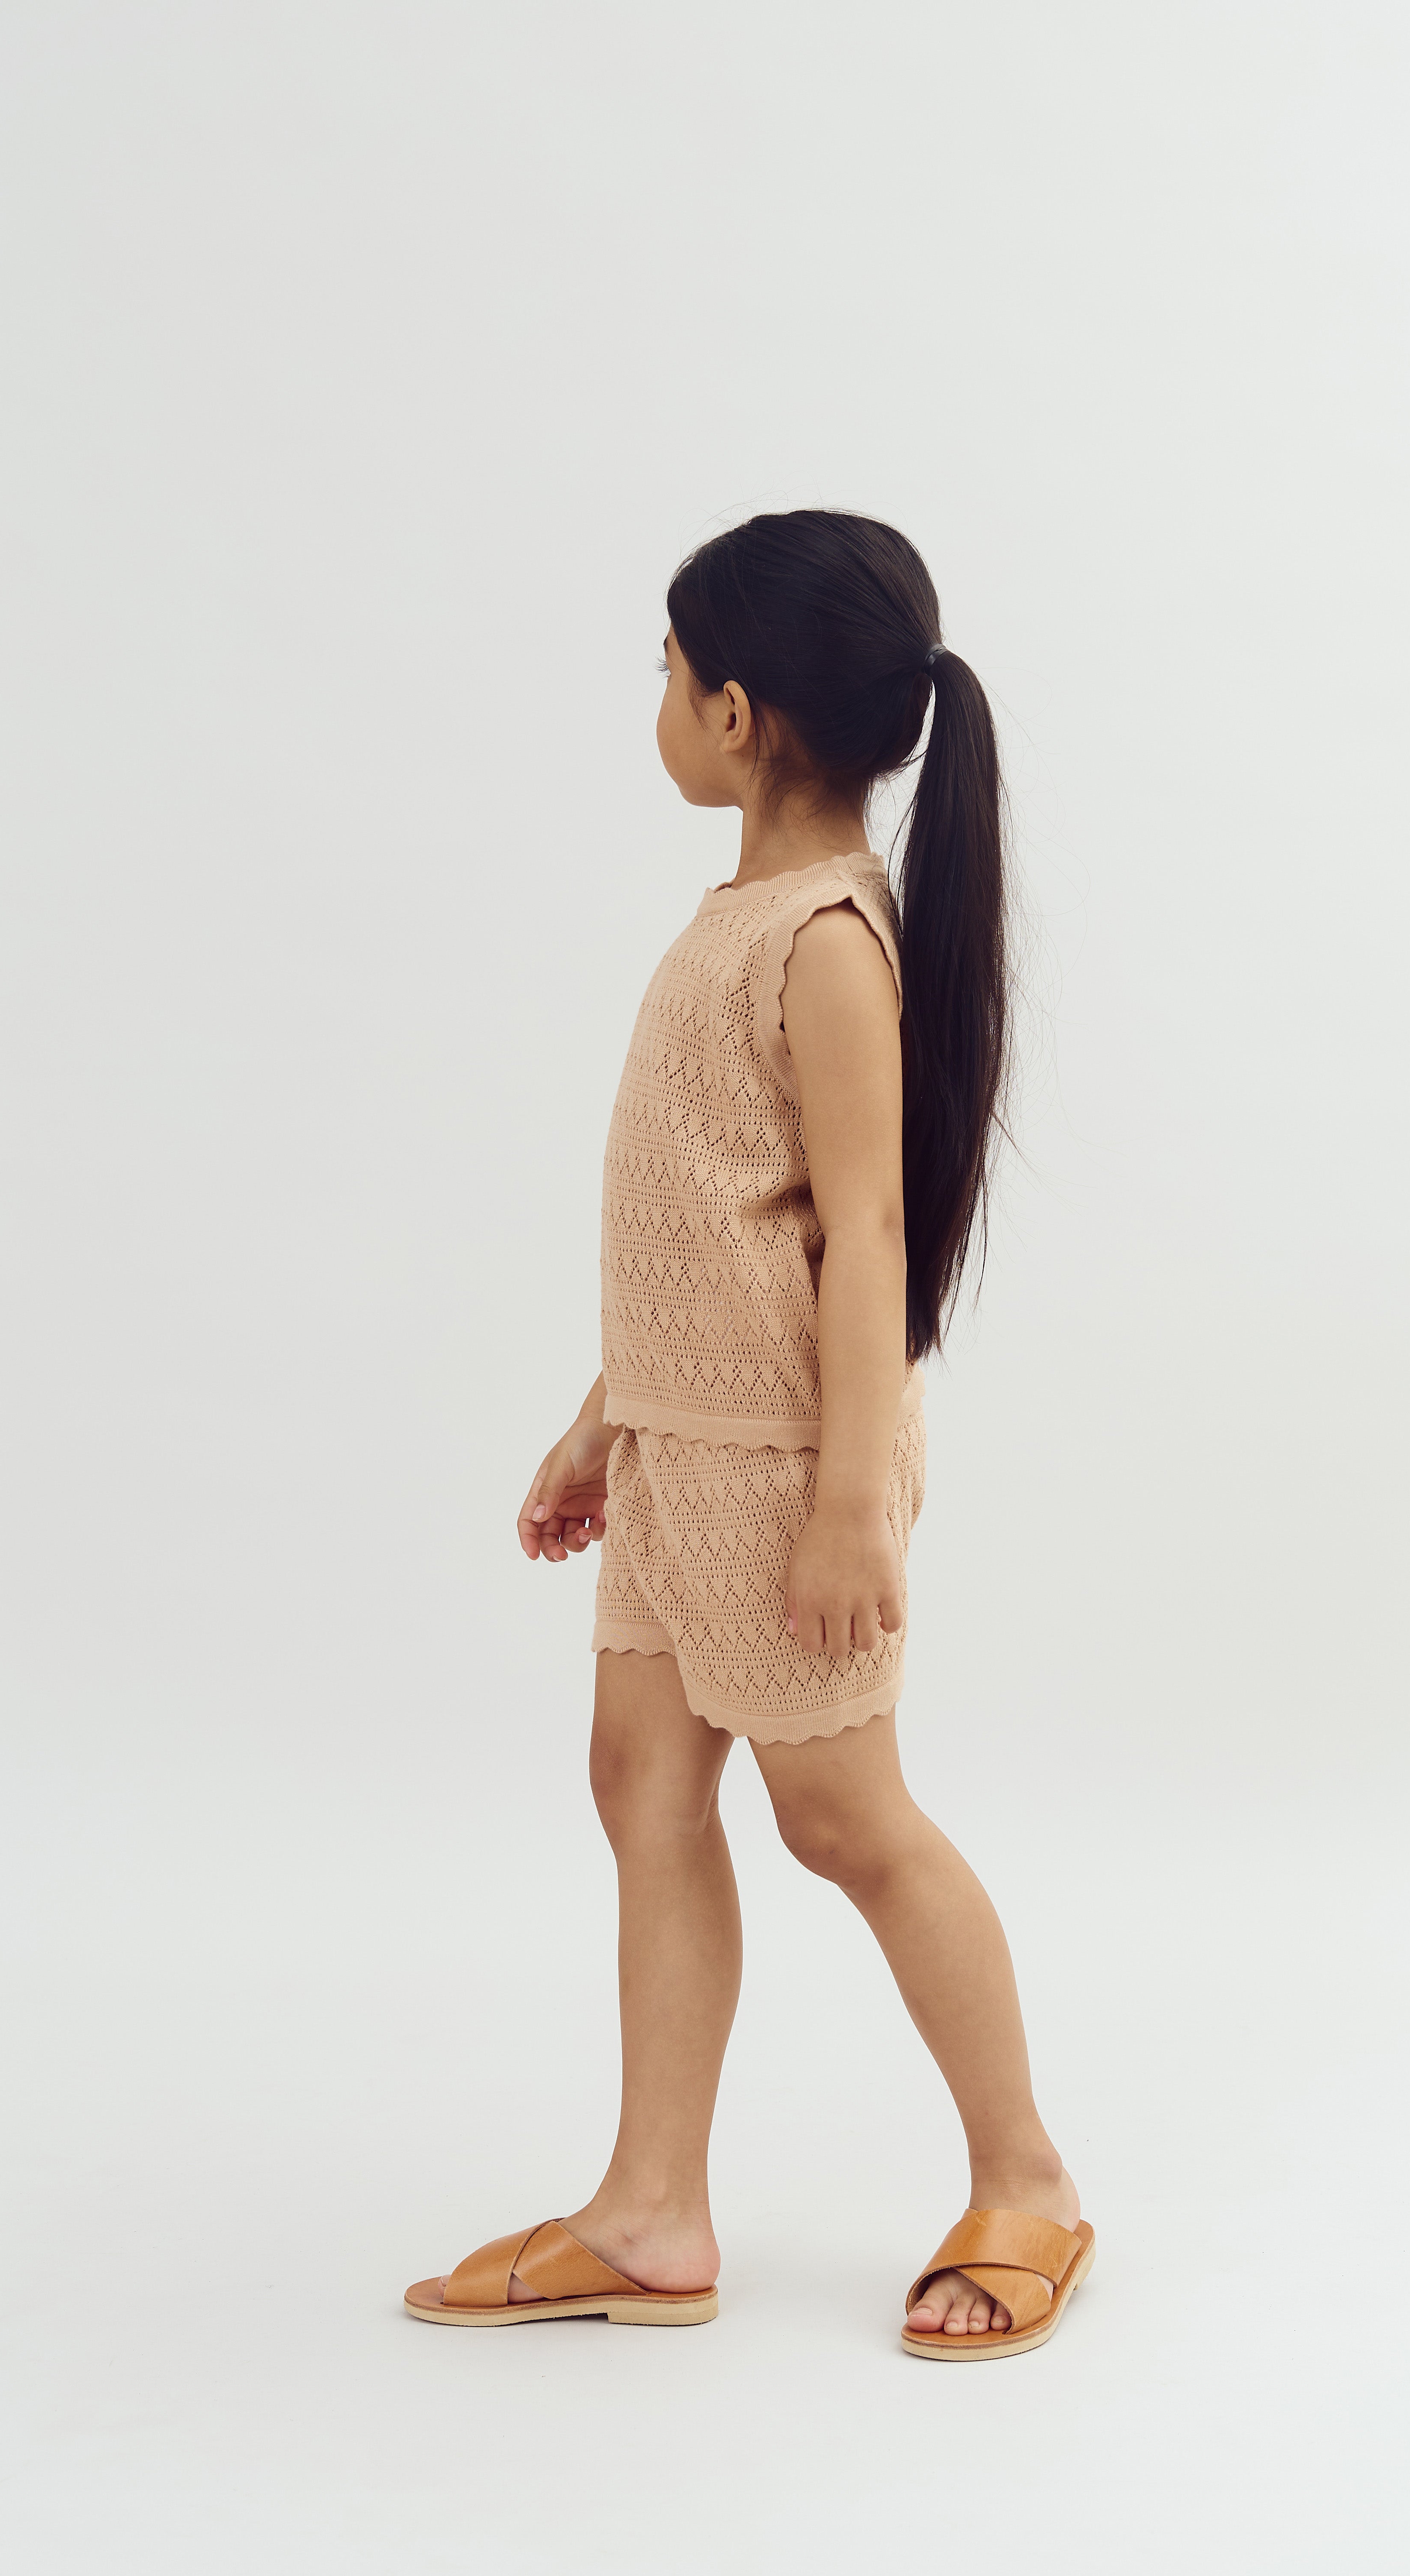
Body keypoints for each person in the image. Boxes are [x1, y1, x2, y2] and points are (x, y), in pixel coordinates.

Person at [404, 510, 1093, 2359]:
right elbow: (697, 1218)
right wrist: (598, 1419)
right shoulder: (734, 919)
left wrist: (857, 1501)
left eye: (665, 666)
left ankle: (1027, 2175)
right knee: (640, 1778)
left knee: (846, 1819)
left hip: (790, 1466)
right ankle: (649, 2210)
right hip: (676, 1449)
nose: (657, 698)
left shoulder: (827, 944)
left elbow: (863, 1235)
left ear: (739, 713)